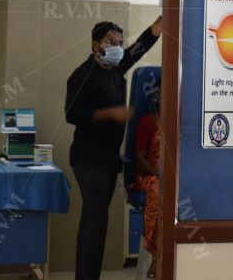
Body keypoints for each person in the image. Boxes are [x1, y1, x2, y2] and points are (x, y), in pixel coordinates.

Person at [65, 17, 162, 280]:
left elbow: (141, 45)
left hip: (109, 160)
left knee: (97, 224)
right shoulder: (82, 75)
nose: (118, 47)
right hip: (88, 159)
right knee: (94, 223)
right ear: (95, 44)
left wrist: (163, 19)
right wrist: (111, 113)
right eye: (111, 42)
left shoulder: (117, 69)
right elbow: (73, 113)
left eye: (120, 42)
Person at [133, 90, 162, 278]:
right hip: (151, 176)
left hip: (175, 176)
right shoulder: (146, 123)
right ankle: (157, 255)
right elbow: (139, 158)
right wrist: (157, 172)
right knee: (161, 192)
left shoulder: (181, 121)